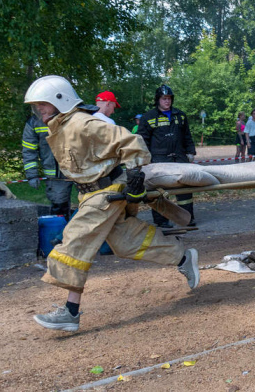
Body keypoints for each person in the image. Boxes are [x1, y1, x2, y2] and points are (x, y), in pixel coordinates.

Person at [23, 75, 199, 332]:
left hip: (107, 191)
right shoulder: (59, 126)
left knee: (76, 239)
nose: (39, 110)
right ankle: (183, 257)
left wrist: (136, 175)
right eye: (36, 106)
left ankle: (70, 312)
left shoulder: (83, 123)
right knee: (126, 242)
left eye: (43, 104)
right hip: (89, 193)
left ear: (59, 100)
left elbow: (132, 142)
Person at [137, 85, 197, 228]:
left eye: (169, 98)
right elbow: (142, 140)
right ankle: (162, 221)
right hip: (159, 160)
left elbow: (187, 136)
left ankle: (187, 219)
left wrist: (191, 151)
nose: (167, 101)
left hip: (180, 157)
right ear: (158, 99)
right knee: (159, 192)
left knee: (185, 189)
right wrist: (145, 159)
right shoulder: (148, 118)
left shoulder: (180, 115)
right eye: (164, 98)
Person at [22, 112, 73, 218]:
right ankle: (59, 233)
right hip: (57, 175)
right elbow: (29, 151)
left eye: (43, 104)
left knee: (90, 204)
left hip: (82, 169)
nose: (39, 108)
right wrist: (32, 175)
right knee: (59, 208)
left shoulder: (72, 115)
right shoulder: (34, 123)